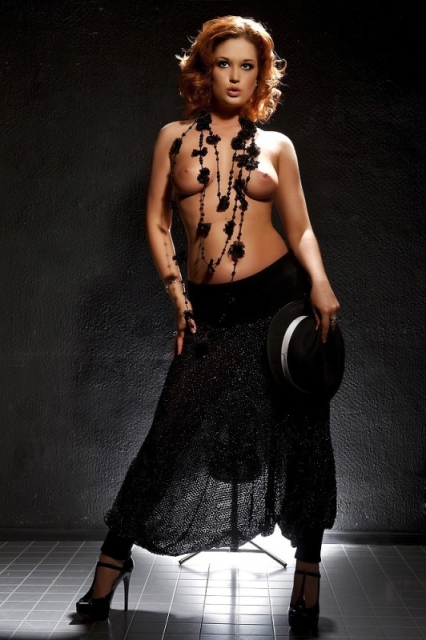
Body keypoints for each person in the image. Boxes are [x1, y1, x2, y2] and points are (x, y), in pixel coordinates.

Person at [76, 15, 340, 634]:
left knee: (303, 438)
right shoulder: (173, 138)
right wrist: (176, 294)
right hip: (209, 312)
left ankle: (308, 575)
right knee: (169, 432)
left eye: (248, 66)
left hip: (278, 305)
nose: (235, 77)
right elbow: (155, 219)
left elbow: (300, 226)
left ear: (261, 76)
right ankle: (110, 568)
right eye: (225, 63)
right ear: (204, 70)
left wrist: (321, 283)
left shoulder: (278, 147)